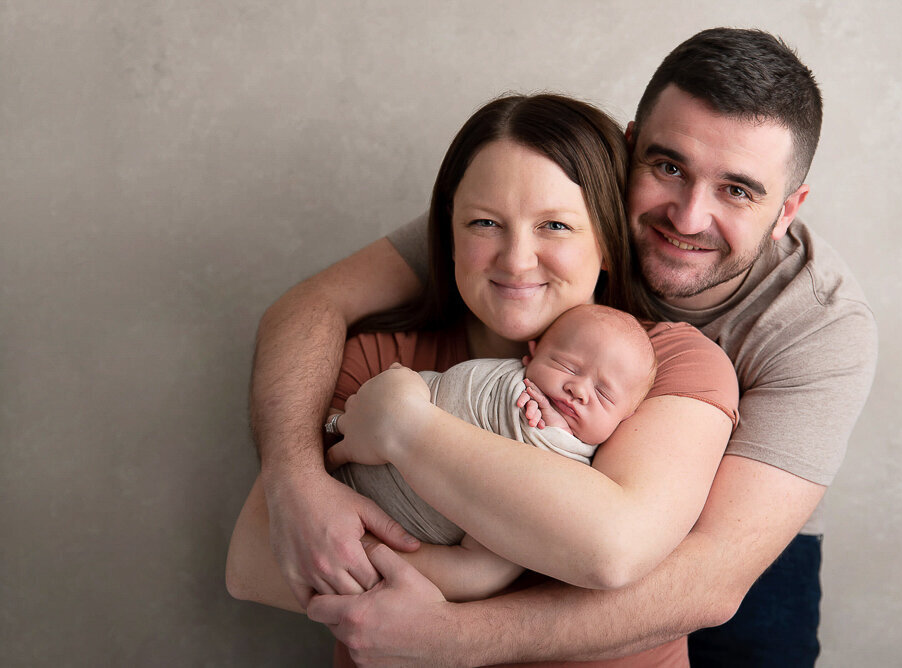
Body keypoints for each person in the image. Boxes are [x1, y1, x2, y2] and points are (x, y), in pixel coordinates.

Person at [226, 92, 739, 666]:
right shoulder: (374, 357)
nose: (516, 260)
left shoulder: (668, 364)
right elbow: (252, 565)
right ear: (449, 238)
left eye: (554, 225)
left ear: (607, 247)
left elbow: (610, 550)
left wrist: (404, 427)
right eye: (485, 223)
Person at [321, 303, 658, 603]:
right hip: (342, 477)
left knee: (474, 570)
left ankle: (354, 553)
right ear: (532, 354)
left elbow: (476, 572)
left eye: (603, 394)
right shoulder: (504, 379)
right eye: (566, 365)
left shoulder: (581, 476)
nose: (578, 389)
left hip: (399, 539)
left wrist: (553, 438)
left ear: (626, 418)